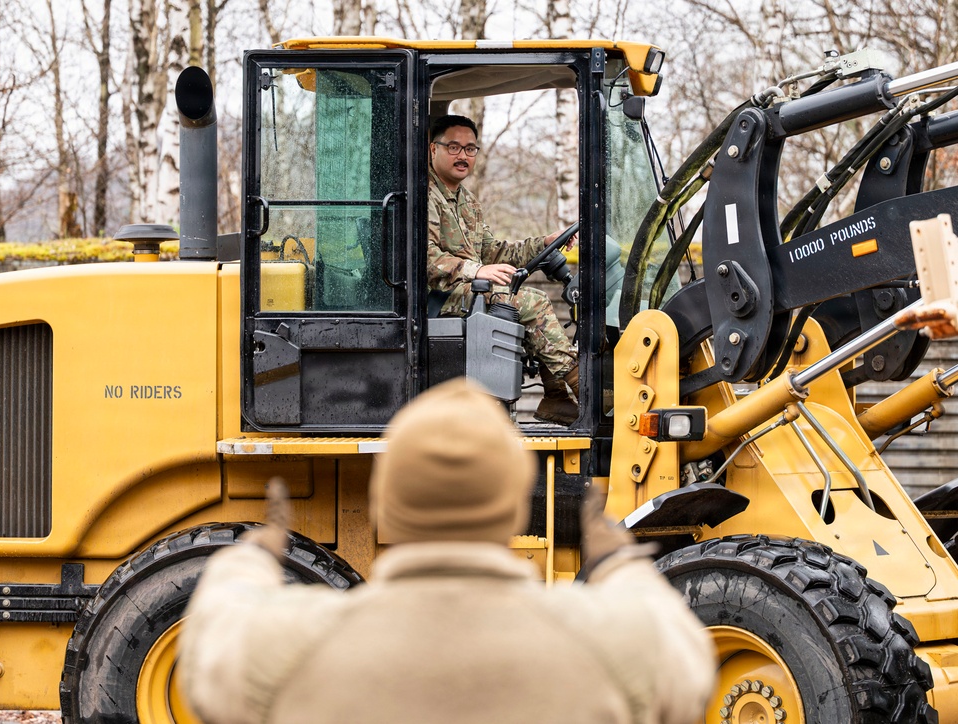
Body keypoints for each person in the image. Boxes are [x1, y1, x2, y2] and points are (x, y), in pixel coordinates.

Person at [180, 379, 716, 723]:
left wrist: (252, 556)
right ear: (512, 511)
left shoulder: (282, 647)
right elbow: (685, 661)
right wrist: (618, 564)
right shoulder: (614, 645)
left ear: (385, 507)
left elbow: (211, 636)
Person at [428, 114, 580, 425]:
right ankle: (588, 390)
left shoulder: (466, 201)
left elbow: (497, 252)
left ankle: (557, 398)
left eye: (471, 149)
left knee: (525, 299)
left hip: (463, 290)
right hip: (435, 297)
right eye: (454, 147)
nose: (463, 156)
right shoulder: (423, 196)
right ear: (434, 149)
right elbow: (424, 259)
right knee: (530, 302)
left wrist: (545, 242)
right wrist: (475, 270)